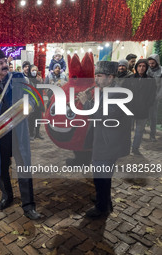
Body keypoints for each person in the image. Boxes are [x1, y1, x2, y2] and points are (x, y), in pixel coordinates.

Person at [0, 48, 41, 220]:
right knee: (2, 167)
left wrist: (27, 106)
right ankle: (7, 196)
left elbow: (32, 97)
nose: (4, 65)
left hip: (18, 132)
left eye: (5, 62)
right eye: (0, 63)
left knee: (23, 166)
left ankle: (29, 205)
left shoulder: (18, 78)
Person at [77, 61, 131, 218]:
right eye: (96, 75)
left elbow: (103, 116)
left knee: (102, 175)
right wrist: (90, 100)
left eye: (99, 76)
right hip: (102, 140)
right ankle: (104, 199)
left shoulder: (118, 93)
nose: (96, 79)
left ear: (110, 77)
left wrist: (86, 103)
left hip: (109, 143)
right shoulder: (105, 90)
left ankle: (102, 208)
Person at [122, 59, 157, 155]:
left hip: (143, 109)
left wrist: (147, 104)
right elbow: (124, 93)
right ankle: (126, 147)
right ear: (136, 67)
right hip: (130, 108)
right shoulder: (129, 79)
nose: (141, 68)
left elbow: (153, 94)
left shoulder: (150, 80)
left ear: (146, 68)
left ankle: (135, 148)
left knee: (139, 130)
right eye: (139, 66)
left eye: (144, 66)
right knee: (127, 130)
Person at [147, 54, 162, 142]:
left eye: (153, 63)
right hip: (146, 96)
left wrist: (158, 96)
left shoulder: (161, 71)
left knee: (153, 117)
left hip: (155, 97)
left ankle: (152, 135)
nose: (151, 65)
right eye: (150, 63)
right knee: (144, 115)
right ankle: (142, 130)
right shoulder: (147, 69)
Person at [28, 65, 44, 140]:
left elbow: (42, 90)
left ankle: (37, 133)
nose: (34, 72)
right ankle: (31, 133)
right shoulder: (28, 79)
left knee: (39, 117)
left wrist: (41, 82)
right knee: (31, 118)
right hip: (31, 101)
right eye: (32, 70)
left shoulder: (39, 79)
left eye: (35, 70)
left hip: (39, 101)